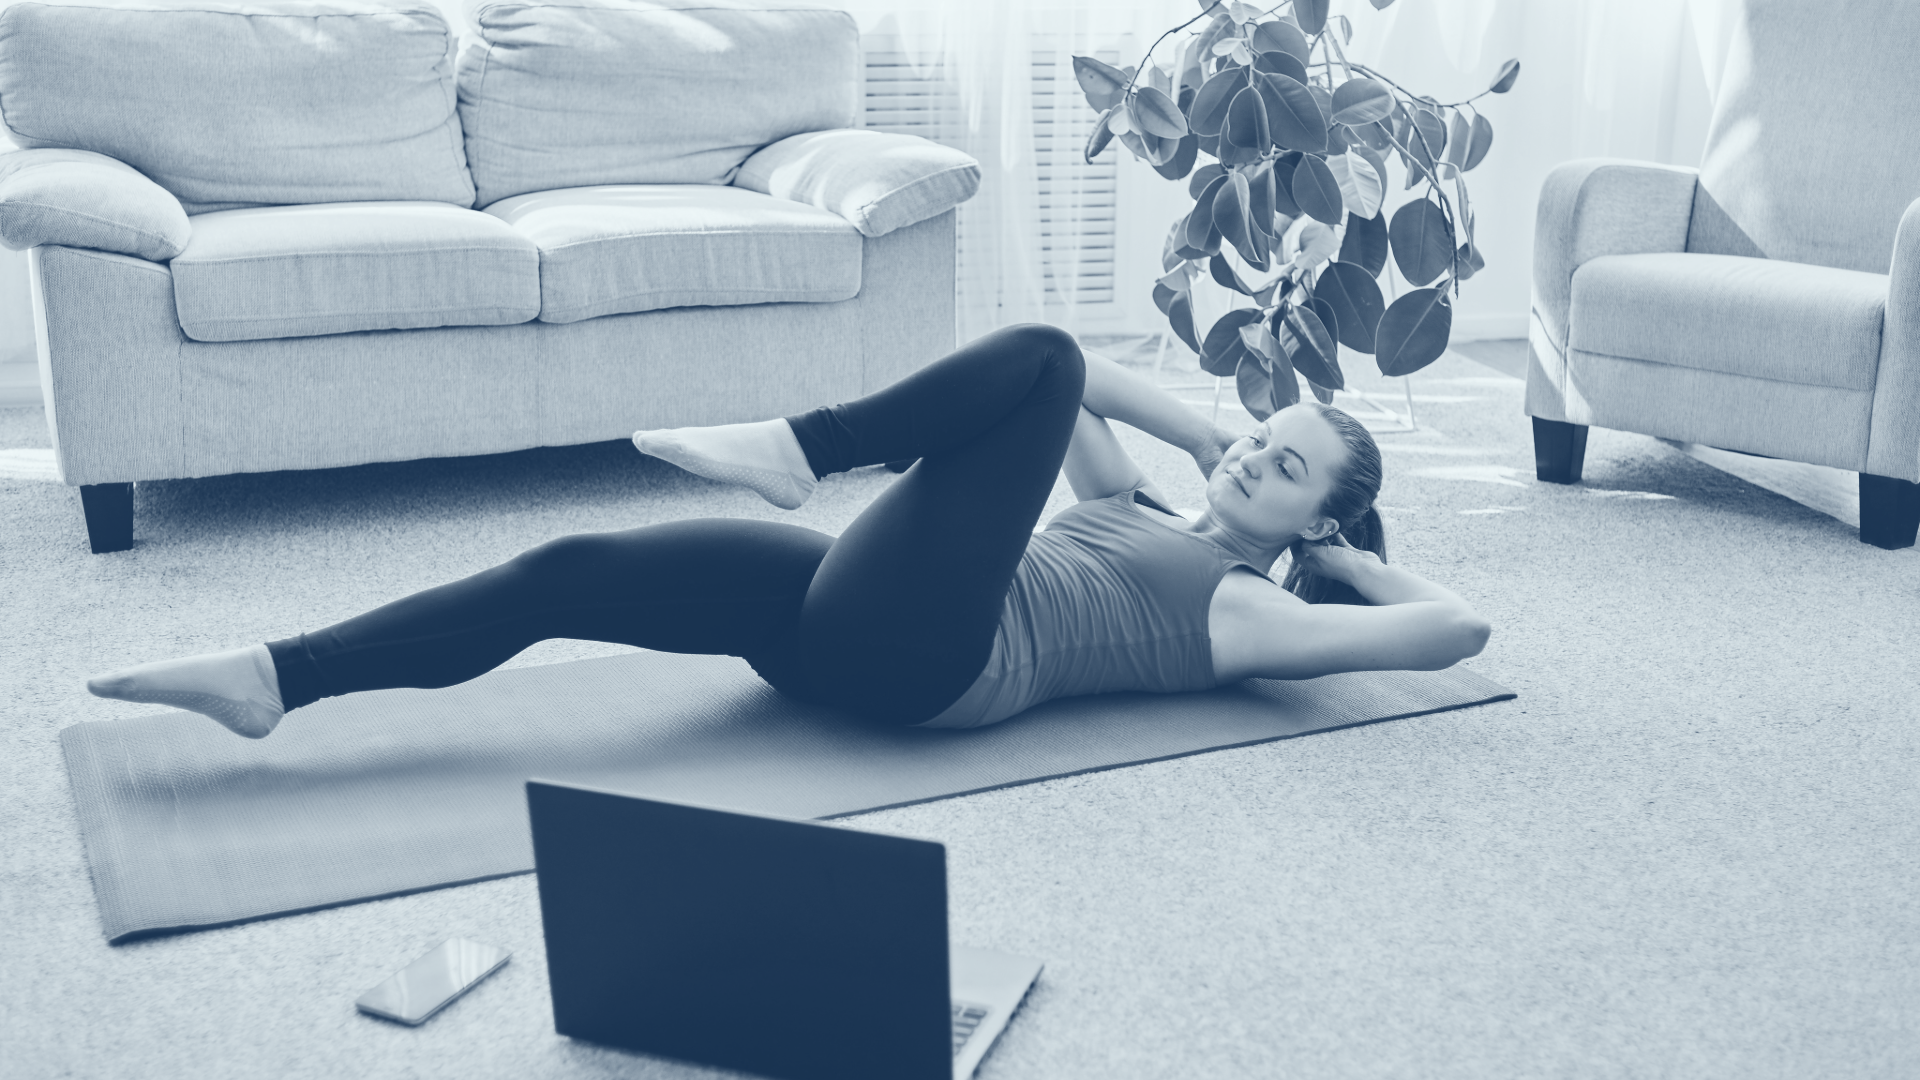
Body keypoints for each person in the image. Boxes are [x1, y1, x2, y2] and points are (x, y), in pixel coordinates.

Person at [86, 323, 1491, 738]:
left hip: (931, 669)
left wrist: (1356, 563)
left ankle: (799, 450)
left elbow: (1457, 632)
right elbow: (1090, 389)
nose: (1255, 450)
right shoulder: (1130, 501)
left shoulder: (1249, 609)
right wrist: (1202, 434)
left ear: (1322, 509)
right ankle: (283, 677)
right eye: (1263, 430)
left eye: (1283, 460)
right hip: (846, 625)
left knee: (1046, 357)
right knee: (572, 572)